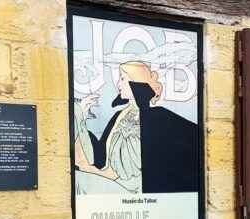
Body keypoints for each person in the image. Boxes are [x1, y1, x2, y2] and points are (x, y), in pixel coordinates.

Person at [74, 61, 198, 195]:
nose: (118, 84)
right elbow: (99, 158)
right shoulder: (119, 115)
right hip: (116, 182)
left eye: (122, 79)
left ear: (135, 83)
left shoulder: (159, 116)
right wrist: (81, 117)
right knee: (78, 179)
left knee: (79, 181)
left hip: (134, 190)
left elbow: (191, 140)